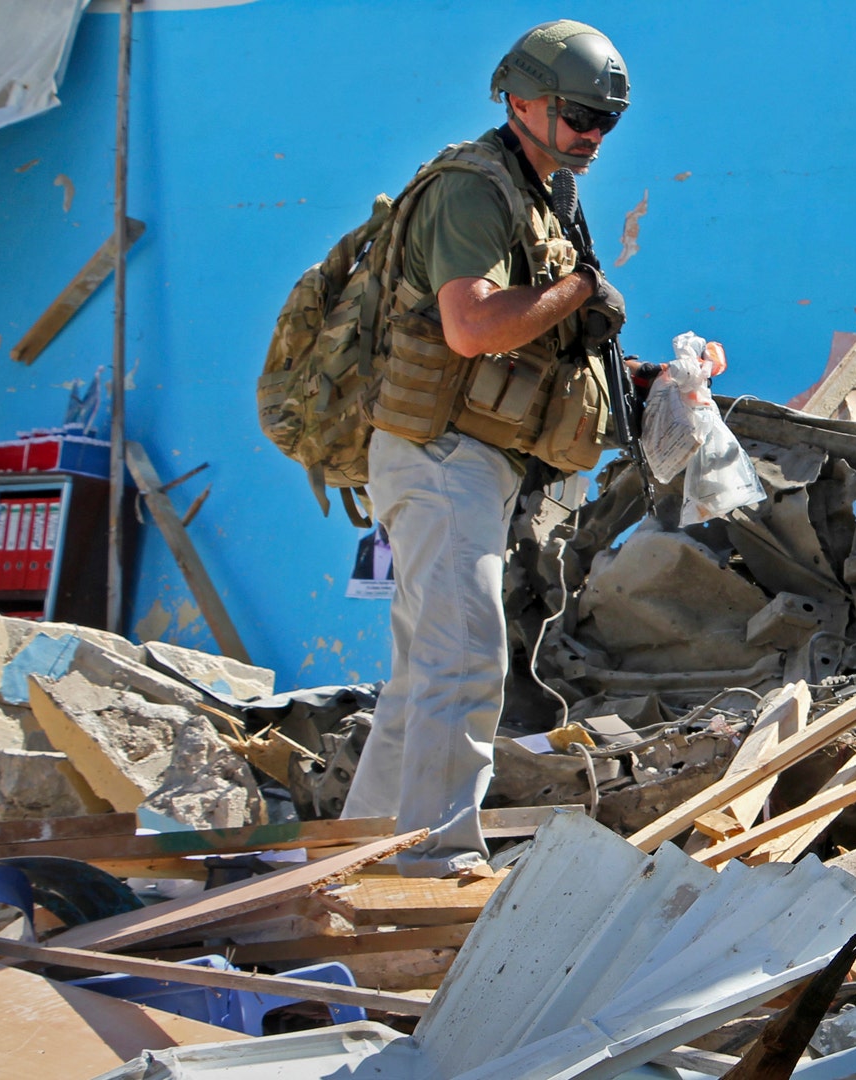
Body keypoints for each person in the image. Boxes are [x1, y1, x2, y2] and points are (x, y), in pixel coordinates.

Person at [341, 20, 631, 876]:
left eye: (606, 121)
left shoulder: (548, 199)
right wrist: (580, 286)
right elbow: (471, 328)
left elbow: (534, 339)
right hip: (438, 456)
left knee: (425, 669)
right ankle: (434, 860)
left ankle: (357, 851)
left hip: (479, 462)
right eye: (580, 114)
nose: (591, 134)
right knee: (465, 658)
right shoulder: (473, 190)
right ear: (521, 100)